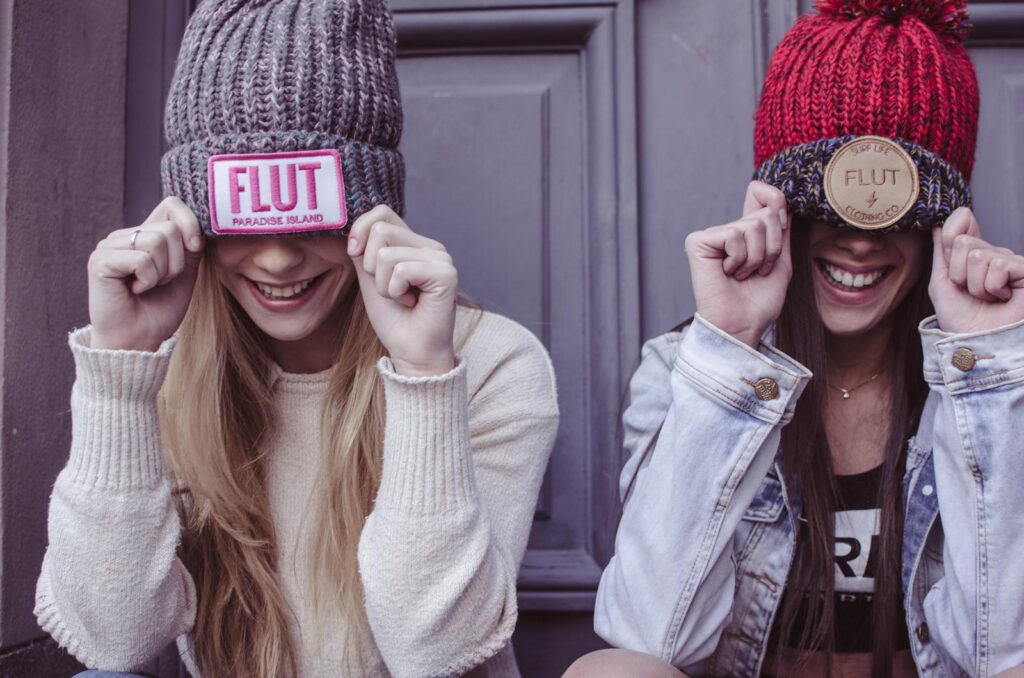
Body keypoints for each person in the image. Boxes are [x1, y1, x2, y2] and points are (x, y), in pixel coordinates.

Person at [35, 1, 559, 676]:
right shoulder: (167, 370)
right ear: (192, 222)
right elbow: (114, 639)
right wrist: (121, 371)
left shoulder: (492, 364)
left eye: (312, 217)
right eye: (244, 220)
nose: (279, 259)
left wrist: (424, 373)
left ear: (371, 212)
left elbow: (435, 651)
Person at [570, 0, 1024, 676]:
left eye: (893, 208)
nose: (862, 238)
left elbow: (1006, 650)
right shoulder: (684, 370)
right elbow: (648, 636)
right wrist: (731, 345)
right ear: (781, 211)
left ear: (935, 220)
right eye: (826, 203)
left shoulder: (999, 374)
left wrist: (986, 369)